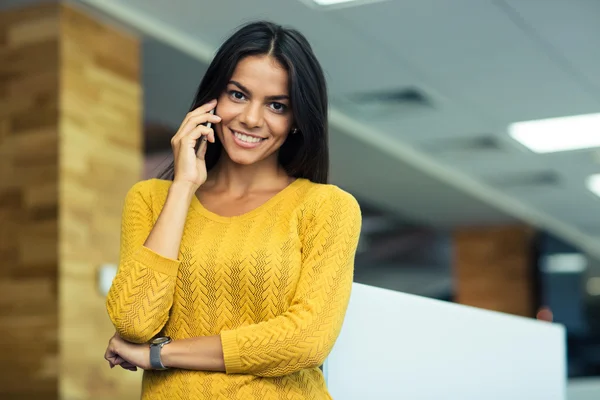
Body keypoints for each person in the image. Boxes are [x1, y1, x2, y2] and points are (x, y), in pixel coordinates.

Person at [103, 20, 362, 399]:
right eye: (238, 95)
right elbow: (134, 321)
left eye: (277, 105)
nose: (252, 118)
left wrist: (161, 354)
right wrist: (183, 188)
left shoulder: (327, 208)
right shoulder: (150, 199)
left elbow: (307, 340)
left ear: (296, 121)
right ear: (212, 100)